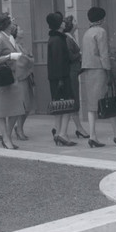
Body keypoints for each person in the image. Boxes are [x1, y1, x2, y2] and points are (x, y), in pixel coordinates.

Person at [81, 6, 116, 148]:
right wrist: (109, 70)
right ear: (102, 18)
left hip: (88, 71)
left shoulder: (86, 33)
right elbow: (104, 54)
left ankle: (93, 136)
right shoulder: (101, 32)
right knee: (109, 100)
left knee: (92, 105)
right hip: (100, 70)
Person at [0, 12, 26, 150]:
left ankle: (7, 137)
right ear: (6, 24)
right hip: (3, 79)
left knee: (16, 110)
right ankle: (6, 139)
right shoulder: (0, 39)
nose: (13, 23)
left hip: (12, 77)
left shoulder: (9, 37)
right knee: (1, 111)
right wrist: (9, 56)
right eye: (11, 21)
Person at [46, 12, 76, 147]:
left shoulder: (54, 38)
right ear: (58, 24)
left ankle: (58, 133)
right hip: (61, 78)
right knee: (67, 106)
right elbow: (59, 61)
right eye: (61, 21)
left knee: (59, 107)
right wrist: (61, 80)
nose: (64, 22)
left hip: (56, 78)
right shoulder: (58, 40)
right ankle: (63, 134)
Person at [63, 15, 89, 139]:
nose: (76, 22)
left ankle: (65, 128)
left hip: (74, 71)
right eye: (74, 20)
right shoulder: (67, 39)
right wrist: (80, 54)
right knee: (73, 100)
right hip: (71, 72)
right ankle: (77, 128)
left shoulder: (71, 37)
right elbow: (69, 56)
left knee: (73, 100)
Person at [12, 24, 35, 140]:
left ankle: (19, 127)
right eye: (20, 29)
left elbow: (29, 58)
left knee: (28, 105)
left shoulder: (21, 46)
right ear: (15, 32)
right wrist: (28, 59)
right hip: (20, 78)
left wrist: (28, 59)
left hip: (26, 77)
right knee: (23, 105)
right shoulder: (14, 46)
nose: (22, 30)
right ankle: (19, 128)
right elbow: (23, 61)